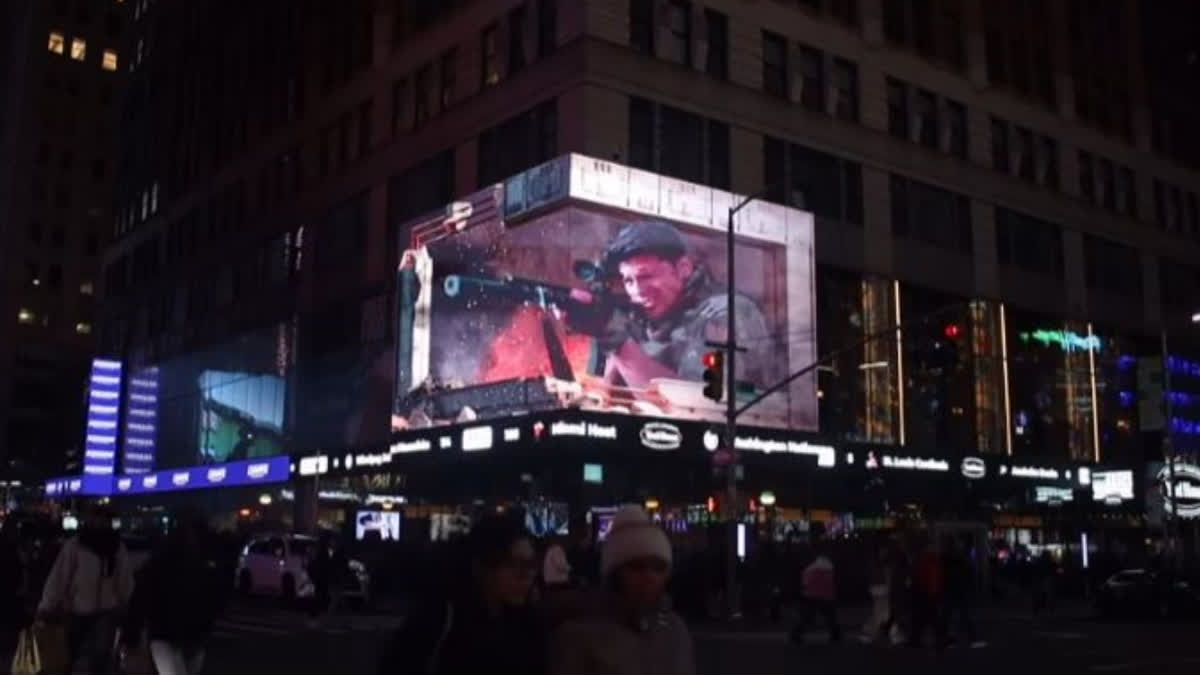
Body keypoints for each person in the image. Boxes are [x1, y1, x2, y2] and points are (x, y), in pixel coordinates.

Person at [560, 221, 773, 392]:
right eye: (628, 281)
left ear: (683, 268)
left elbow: (702, 402)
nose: (637, 291)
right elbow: (609, 391)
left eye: (646, 277)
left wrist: (616, 341)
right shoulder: (641, 315)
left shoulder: (726, 313)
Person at [377, 515, 544, 675]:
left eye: (531, 565)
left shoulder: (525, 625)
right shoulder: (439, 618)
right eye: (514, 564)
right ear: (481, 566)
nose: (526, 576)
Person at [549, 505, 695, 675]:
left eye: (659, 567)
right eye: (637, 567)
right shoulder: (578, 636)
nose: (650, 576)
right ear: (615, 572)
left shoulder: (675, 630)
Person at [120, 513, 224, 675]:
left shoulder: (157, 567)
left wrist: (130, 635)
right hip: (187, 635)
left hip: (170, 634)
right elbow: (215, 599)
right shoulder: (202, 567)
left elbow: (139, 602)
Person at [37, 504, 134, 674]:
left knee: (100, 659)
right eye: (98, 519)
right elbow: (59, 578)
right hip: (76, 610)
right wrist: (47, 606)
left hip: (106, 611)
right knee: (68, 656)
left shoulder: (117, 549)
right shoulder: (75, 546)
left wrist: (128, 606)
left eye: (105, 519)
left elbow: (124, 581)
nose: (101, 523)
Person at [791, 542, 840, 644]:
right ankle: (836, 635)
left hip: (811, 595)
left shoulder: (810, 568)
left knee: (806, 617)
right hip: (826, 595)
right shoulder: (828, 565)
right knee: (830, 617)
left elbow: (805, 581)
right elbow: (831, 580)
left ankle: (796, 634)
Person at [941, 537, 984, 648]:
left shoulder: (946, 558)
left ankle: (948, 637)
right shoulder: (960, 559)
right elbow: (968, 573)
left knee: (950, 614)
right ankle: (969, 637)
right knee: (962, 615)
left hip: (952, 589)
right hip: (958, 589)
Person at [907, 537, 944, 649]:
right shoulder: (932, 559)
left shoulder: (925, 559)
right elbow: (935, 577)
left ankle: (916, 638)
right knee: (929, 616)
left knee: (924, 616)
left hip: (925, 591)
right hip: (929, 591)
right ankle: (936, 637)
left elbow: (921, 576)